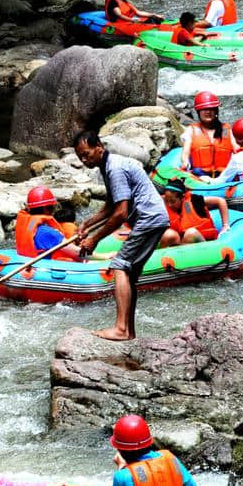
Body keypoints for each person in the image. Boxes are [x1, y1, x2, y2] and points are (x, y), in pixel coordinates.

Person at [73, 131, 169, 341]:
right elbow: (111, 205)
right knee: (129, 273)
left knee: (118, 266)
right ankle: (129, 332)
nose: (84, 159)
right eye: (80, 156)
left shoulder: (114, 168)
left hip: (148, 219)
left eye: (86, 153)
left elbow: (120, 214)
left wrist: (94, 239)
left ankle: (121, 329)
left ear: (98, 146)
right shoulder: (108, 167)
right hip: (152, 219)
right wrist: (87, 225)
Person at [79, 415, 201, 486]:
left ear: (121, 450)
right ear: (149, 442)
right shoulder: (171, 458)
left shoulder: (123, 476)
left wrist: (122, 466)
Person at [14, 186, 83, 261]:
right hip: (41, 268)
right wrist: (97, 258)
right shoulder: (48, 233)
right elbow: (77, 253)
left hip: (28, 261)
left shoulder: (29, 225)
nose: (54, 210)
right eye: (53, 207)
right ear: (46, 209)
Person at [180, 91, 239, 178]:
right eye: (204, 109)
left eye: (211, 109)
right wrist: (185, 163)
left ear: (216, 111)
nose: (208, 112)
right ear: (198, 112)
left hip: (224, 176)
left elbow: (237, 149)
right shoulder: (191, 130)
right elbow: (186, 152)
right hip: (200, 175)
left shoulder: (226, 130)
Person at [159, 178, 230, 247]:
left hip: (203, 241)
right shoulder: (163, 203)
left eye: (173, 201)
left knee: (190, 233)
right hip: (182, 244)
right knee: (168, 235)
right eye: (167, 201)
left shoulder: (195, 201)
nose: (169, 205)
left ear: (182, 197)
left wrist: (225, 225)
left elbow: (220, 201)